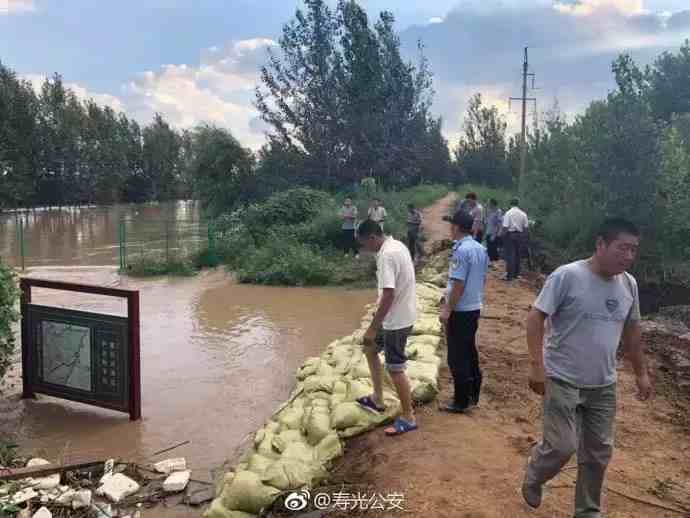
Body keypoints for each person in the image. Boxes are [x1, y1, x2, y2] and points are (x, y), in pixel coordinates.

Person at [522, 218, 652, 518]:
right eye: (622, 248)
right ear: (600, 244)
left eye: (633, 250)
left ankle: (587, 511)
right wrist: (536, 366)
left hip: (603, 384)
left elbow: (633, 332)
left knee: (597, 453)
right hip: (562, 377)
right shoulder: (567, 276)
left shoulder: (628, 284)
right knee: (562, 446)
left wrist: (641, 373)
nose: (629, 256)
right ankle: (535, 475)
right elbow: (535, 318)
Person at [355, 219, 418, 436]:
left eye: (364, 244)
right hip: (396, 315)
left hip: (396, 321)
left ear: (372, 237)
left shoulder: (387, 255)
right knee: (370, 349)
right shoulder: (397, 245)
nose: (365, 249)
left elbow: (389, 293)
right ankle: (377, 399)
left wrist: (373, 327)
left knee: (395, 368)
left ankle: (409, 417)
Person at [439, 210, 489, 413]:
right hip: (474, 306)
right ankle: (473, 394)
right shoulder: (480, 248)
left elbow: (458, 284)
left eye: (451, 225)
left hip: (460, 310)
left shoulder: (460, 251)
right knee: (469, 350)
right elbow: (483, 278)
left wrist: (447, 310)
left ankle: (460, 401)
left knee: (457, 356)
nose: (450, 228)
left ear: (457, 227)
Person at [500, 198, 529, 280]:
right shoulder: (523, 214)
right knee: (517, 255)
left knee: (510, 255)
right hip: (520, 235)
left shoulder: (508, 213)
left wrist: (502, 236)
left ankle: (509, 275)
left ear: (510, 204)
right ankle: (516, 274)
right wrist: (524, 238)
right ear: (518, 204)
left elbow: (505, 227)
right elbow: (526, 228)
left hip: (510, 235)